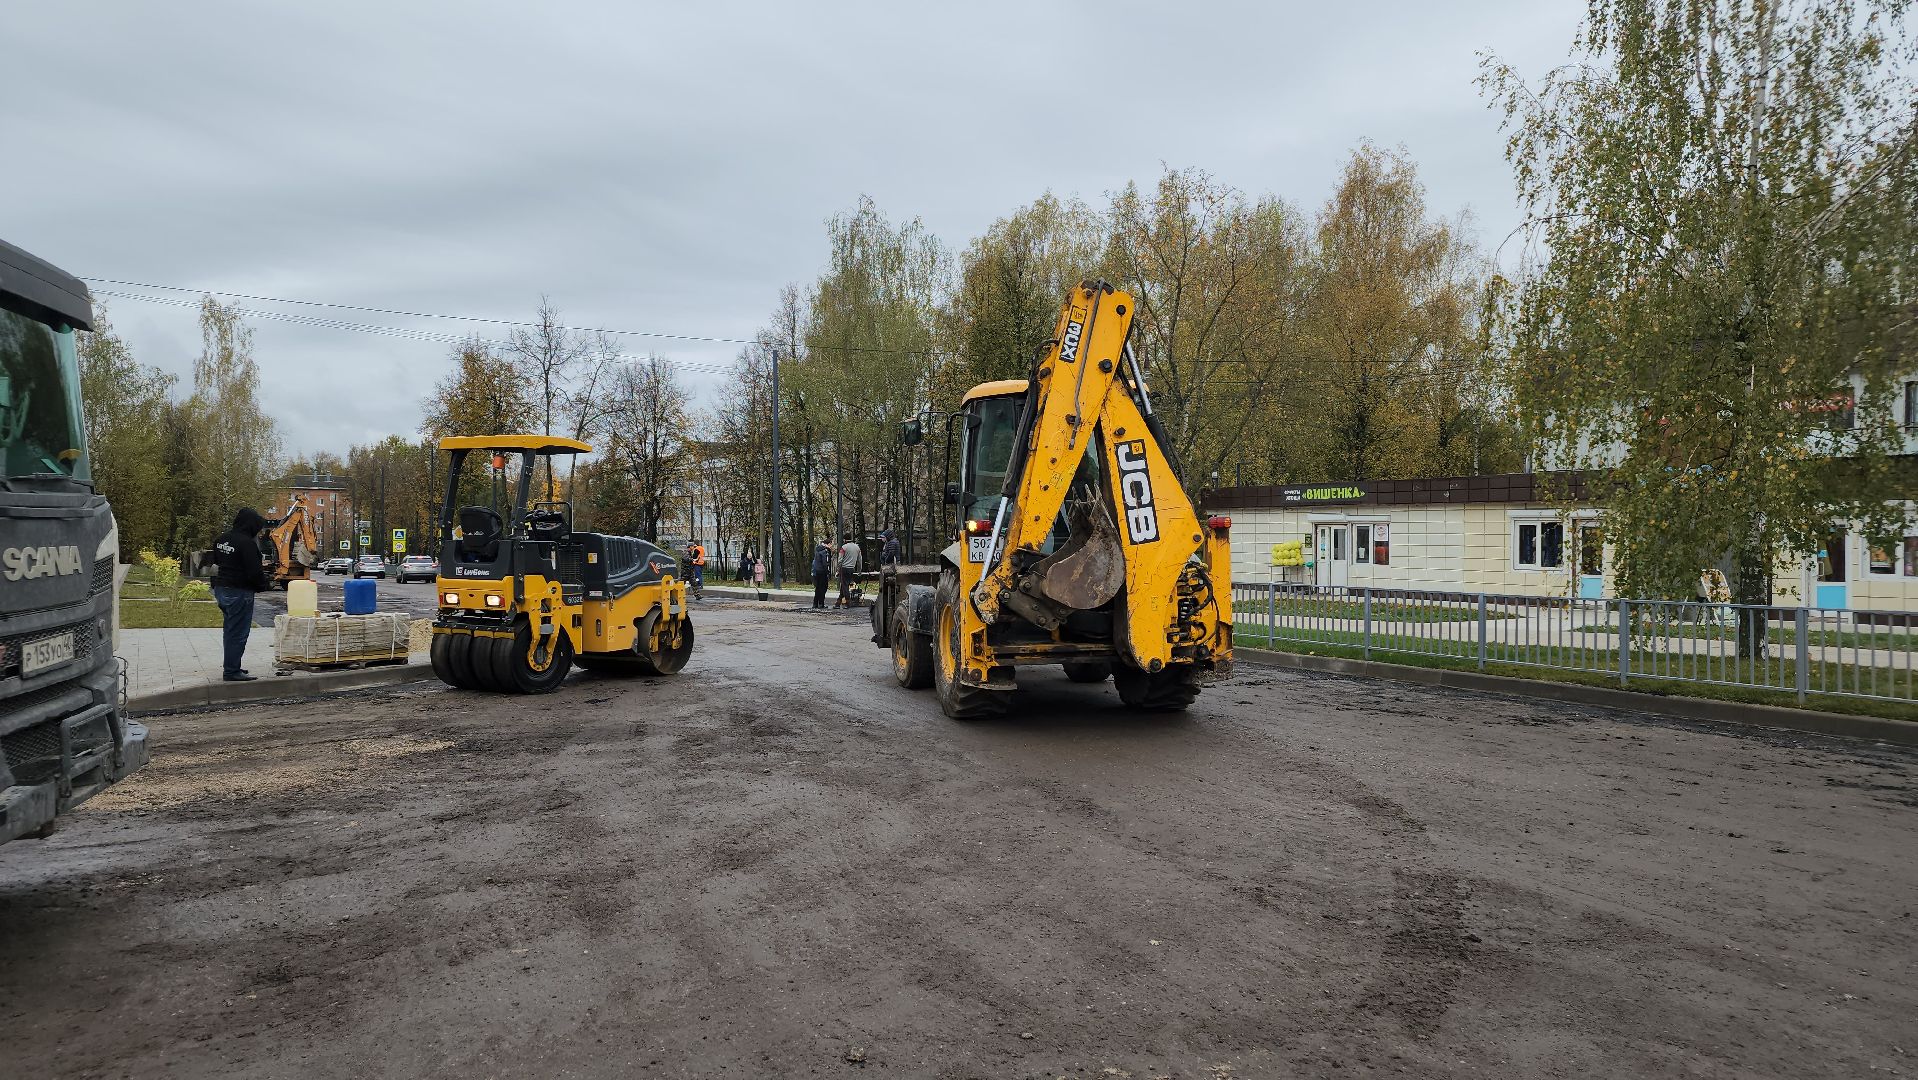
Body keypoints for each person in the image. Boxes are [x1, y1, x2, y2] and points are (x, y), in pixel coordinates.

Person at [211, 507, 270, 682]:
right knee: (238, 632)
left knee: (230, 630)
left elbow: (216, 561)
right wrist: (262, 585)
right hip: (239, 591)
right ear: (251, 525)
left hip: (221, 589)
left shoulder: (221, 539)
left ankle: (232, 665)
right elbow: (254, 572)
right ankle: (231, 671)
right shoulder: (247, 544)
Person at [836, 533, 862, 608]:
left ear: (844, 539)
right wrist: (859, 571)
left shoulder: (843, 547)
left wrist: (838, 570)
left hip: (844, 568)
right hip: (852, 569)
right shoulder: (857, 547)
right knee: (844, 585)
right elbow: (859, 560)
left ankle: (848, 602)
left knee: (845, 586)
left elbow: (840, 560)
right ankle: (838, 603)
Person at [810, 539, 832, 610]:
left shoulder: (818, 549)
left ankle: (815, 603)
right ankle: (821, 603)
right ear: (828, 544)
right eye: (831, 544)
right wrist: (827, 571)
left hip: (816, 571)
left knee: (818, 588)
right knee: (823, 588)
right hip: (822, 572)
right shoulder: (825, 551)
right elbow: (825, 562)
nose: (831, 546)